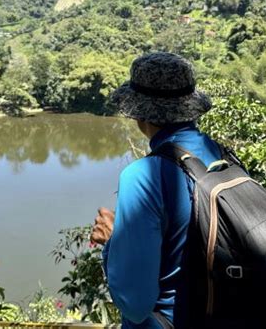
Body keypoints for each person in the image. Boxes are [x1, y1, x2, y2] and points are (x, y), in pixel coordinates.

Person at [90, 52, 221, 328]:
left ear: (139, 113)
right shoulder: (224, 159)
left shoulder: (144, 176)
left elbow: (135, 304)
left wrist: (114, 242)